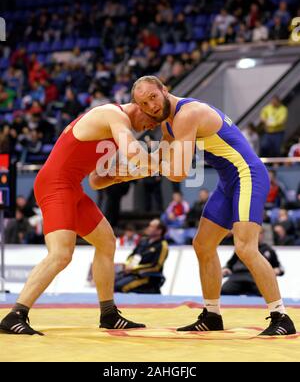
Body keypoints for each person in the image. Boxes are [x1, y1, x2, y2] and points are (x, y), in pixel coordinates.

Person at [131, 75, 296, 336]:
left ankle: (281, 316)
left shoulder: (188, 114)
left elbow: (178, 173)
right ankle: (212, 314)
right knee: (203, 244)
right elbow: (157, 159)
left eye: (153, 97)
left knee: (245, 248)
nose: (150, 106)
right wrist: (121, 173)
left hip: (248, 175)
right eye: (143, 103)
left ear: (164, 90)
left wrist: (143, 163)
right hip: (229, 182)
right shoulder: (169, 125)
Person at [0, 102, 159, 335]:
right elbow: (137, 156)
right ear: (141, 104)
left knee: (106, 242)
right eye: (154, 116)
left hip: (72, 187)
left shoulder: (117, 131)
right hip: (55, 185)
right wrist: (160, 163)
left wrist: (123, 176)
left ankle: (109, 314)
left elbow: (97, 179)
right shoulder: (113, 115)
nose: (153, 124)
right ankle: (15, 315)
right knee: (61, 254)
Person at [221, 228, 284, 296]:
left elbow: (279, 267)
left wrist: (278, 270)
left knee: (269, 294)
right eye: (255, 233)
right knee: (223, 291)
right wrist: (226, 268)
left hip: (257, 278)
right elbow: (230, 264)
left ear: (263, 235)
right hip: (238, 276)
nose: (257, 236)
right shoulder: (242, 248)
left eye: (259, 233)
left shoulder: (268, 250)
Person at [114, 219, 168, 294]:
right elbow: (132, 255)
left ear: (159, 231)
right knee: (111, 282)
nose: (149, 228)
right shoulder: (143, 241)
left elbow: (156, 266)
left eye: (152, 227)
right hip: (132, 273)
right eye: (149, 226)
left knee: (119, 287)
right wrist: (128, 264)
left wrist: (134, 268)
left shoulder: (162, 245)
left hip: (146, 277)